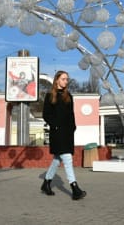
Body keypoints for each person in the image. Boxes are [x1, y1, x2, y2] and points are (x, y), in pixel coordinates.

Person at [41, 70, 87, 200]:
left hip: (67, 133)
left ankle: (46, 183)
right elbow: (46, 114)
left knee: (57, 160)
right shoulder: (50, 95)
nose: (65, 81)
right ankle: (75, 188)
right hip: (57, 132)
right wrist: (54, 125)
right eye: (63, 79)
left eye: (67, 79)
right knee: (67, 159)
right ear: (57, 80)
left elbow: (71, 114)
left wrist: (73, 127)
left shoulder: (69, 96)